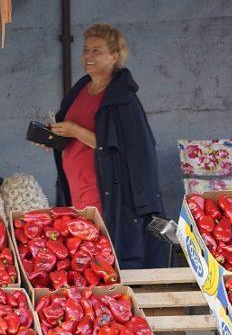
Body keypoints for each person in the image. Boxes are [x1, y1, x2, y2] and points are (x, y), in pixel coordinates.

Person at [49, 24, 167, 269]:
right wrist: (56, 138)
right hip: (76, 187)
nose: (88, 56)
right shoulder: (81, 89)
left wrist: (75, 131)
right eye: (85, 50)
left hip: (104, 190)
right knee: (82, 251)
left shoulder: (122, 99)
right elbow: (72, 132)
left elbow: (123, 148)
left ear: (115, 56)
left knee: (101, 251)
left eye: (97, 51)